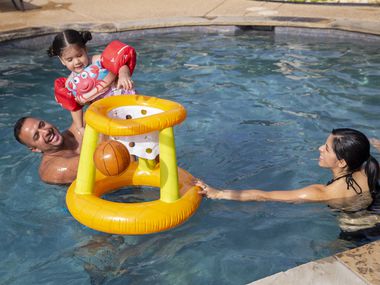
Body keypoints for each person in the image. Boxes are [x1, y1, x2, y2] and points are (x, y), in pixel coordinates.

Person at [196, 128, 380, 213]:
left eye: (326, 148)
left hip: (359, 235)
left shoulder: (321, 193)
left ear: (341, 163)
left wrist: (218, 193)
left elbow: (264, 196)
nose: (319, 148)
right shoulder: (369, 166)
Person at [47, 29, 137, 136]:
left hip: (126, 102)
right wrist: (80, 127)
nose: (76, 62)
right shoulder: (70, 84)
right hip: (105, 115)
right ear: (62, 60)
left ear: (85, 49)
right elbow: (75, 107)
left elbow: (121, 64)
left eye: (79, 55)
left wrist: (123, 75)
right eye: (69, 60)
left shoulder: (99, 61)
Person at [14, 116, 82, 184]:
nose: (46, 132)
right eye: (37, 136)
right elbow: (89, 163)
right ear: (35, 149)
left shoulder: (77, 130)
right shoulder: (52, 170)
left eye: (42, 125)